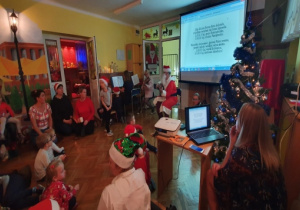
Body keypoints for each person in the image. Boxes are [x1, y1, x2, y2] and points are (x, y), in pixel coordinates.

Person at [207, 103, 287, 210]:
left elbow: (222, 177)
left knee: (210, 174)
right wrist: (232, 143)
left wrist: (219, 166)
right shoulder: (271, 154)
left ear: (242, 124)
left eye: (239, 117)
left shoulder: (242, 155)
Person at [97, 135, 151, 210]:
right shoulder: (141, 177)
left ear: (119, 167)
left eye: (110, 162)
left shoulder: (109, 194)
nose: (108, 164)